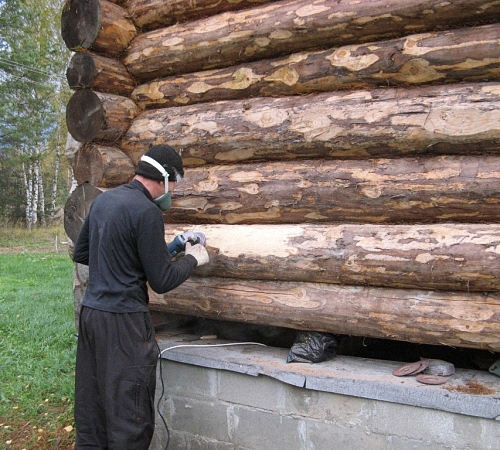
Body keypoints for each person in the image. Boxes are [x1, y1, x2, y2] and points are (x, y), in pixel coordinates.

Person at [72, 144, 209, 449]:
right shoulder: (147, 211)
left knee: (93, 409)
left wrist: (169, 249)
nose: (172, 191)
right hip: (125, 325)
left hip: (92, 317)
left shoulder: (105, 202)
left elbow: (82, 253)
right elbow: (161, 281)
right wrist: (192, 259)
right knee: (129, 416)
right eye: (174, 184)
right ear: (163, 177)